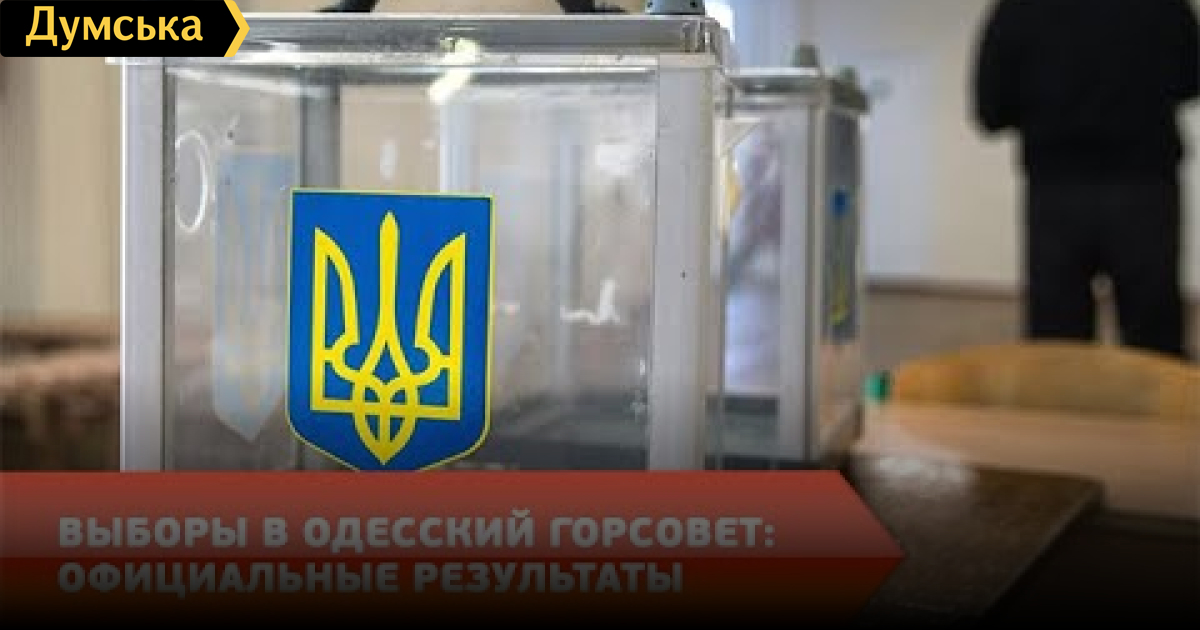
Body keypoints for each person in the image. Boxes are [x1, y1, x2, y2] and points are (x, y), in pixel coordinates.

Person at [971, 0, 1199, 360]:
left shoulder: (1018, 9)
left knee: (1059, 350)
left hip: (1056, 189)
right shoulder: (1164, 5)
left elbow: (990, 112)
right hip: (1145, 186)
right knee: (1155, 344)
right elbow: (1191, 81)